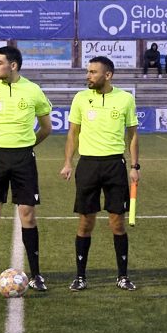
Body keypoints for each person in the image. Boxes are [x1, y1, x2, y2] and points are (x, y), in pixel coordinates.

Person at [0, 44, 55, 292]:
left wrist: (26, 145)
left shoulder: (33, 90)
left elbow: (46, 127)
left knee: (28, 215)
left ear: (13, 65)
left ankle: (37, 275)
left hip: (23, 159)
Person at [61, 54, 139, 290]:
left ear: (108, 75)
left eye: (93, 72)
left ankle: (123, 276)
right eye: (88, 71)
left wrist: (135, 166)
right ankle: (80, 276)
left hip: (115, 165)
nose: (88, 76)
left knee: (117, 223)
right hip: (88, 165)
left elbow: (133, 134)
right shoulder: (81, 98)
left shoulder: (125, 99)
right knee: (85, 222)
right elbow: (73, 134)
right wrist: (68, 162)